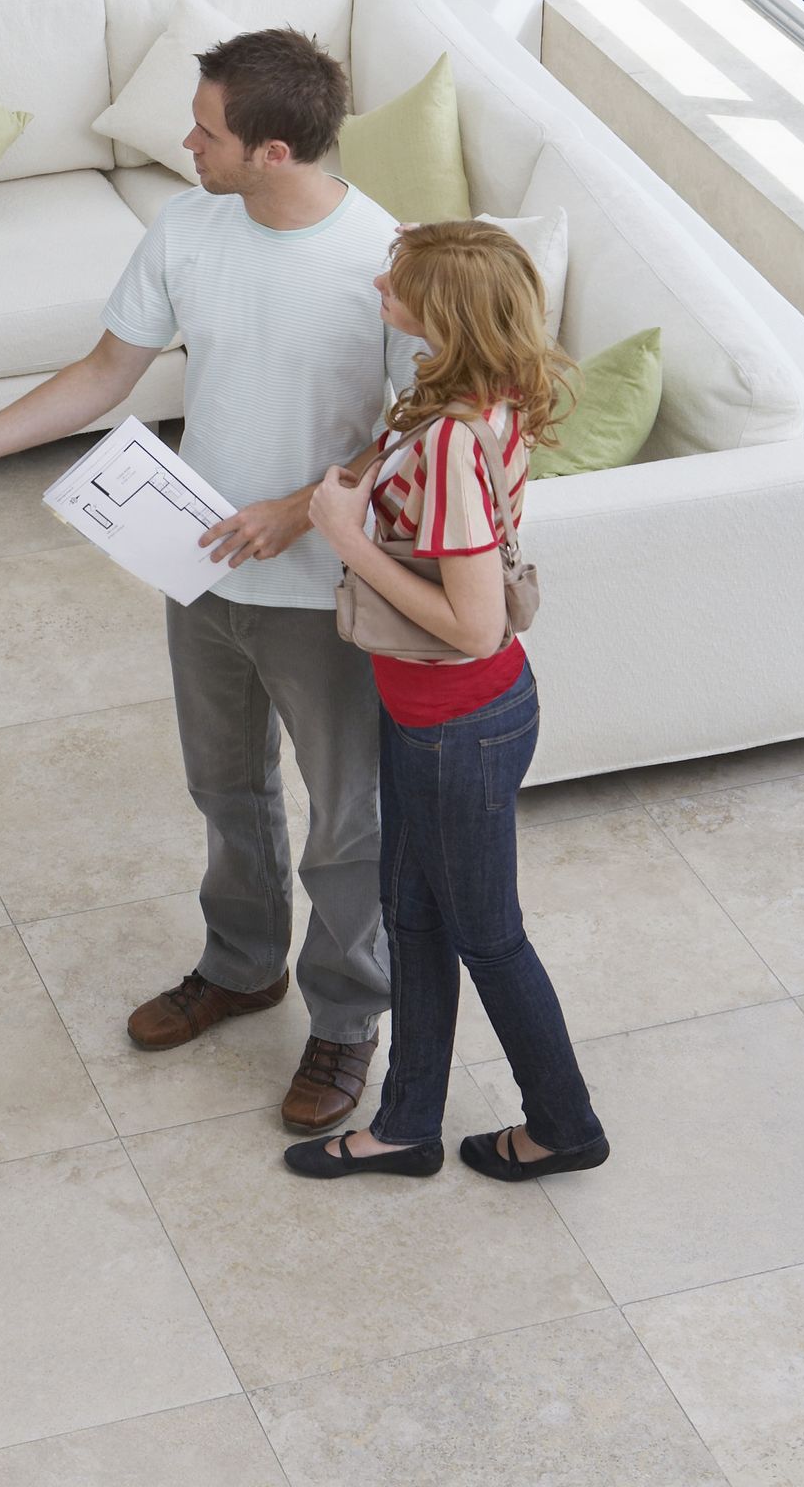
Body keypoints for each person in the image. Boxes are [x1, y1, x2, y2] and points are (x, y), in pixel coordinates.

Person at [0, 28, 419, 1135]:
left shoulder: (388, 261)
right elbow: (104, 373)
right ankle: (242, 966)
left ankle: (346, 1018)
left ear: (274, 149)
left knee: (349, 824)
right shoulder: (190, 224)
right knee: (226, 790)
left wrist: (302, 503)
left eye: (205, 129)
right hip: (196, 570)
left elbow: (421, 425)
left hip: (323, 593)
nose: (186, 141)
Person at [287, 219, 608, 1184]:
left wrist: (345, 540)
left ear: (447, 313)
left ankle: (566, 1126)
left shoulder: (453, 449)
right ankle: (406, 1125)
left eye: (400, 282)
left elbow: (472, 624)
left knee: (486, 935)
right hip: (438, 714)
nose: (381, 287)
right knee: (412, 912)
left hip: (457, 723)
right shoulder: (469, 398)